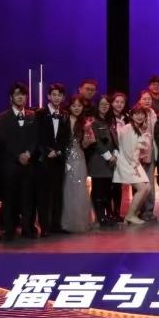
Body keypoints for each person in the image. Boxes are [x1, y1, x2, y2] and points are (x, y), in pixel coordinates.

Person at [0, 82, 40, 240]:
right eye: (17, 94)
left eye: (23, 94)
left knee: (28, 198)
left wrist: (28, 153)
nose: (20, 97)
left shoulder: (32, 116)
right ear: (11, 98)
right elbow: (2, 140)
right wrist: (18, 155)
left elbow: (35, 137)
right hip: (10, 164)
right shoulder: (3, 117)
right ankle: (9, 229)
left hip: (29, 163)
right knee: (9, 198)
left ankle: (28, 228)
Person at [34, 83, 69, 235]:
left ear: (63, 97)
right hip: (44, 158)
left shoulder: (65, 115)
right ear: (48, 96)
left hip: (59, 158)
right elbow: (37, 136)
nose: (56, 97)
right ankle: (45, 227)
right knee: (44, 194)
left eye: (59, 95)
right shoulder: (40, 113)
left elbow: (66, 136)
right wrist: (48, 151)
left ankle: (56, 225)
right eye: (54, 94)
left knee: (57, 193)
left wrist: (59, 150)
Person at [114, 106, 154, 226]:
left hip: (135, 162)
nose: (139, 116)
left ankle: (133, 214)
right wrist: (134, 166)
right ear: (131, 116)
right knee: (142, 188)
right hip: (128, 162)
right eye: (136, 114)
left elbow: (143, 148)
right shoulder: (128, 128)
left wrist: (145, 132)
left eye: (142, 114)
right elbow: (127, 150)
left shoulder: (139, 129)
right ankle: (130, 215)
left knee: (147, 187)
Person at [59, 96, 93, 233]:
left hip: (78, 157)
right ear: (69, 107)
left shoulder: (84, 122)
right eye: (74, 106)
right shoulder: (63, 119)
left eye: (79, 106)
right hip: (63, 157)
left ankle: (78, 221)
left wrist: (88, 131)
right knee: (65, 188)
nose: (77, 108)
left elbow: (85, 145)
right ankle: (63, 222)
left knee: (79, 188)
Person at [84, 96, 118, 227]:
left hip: (111, 162)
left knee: (107, 190)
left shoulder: (110, 121)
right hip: (99, 160)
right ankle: (100, 217)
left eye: (107, 104)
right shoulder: (93, 121)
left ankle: (107, 215)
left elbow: (115, 140)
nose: (104, 106)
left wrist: (115, 154)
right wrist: (109, 157)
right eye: (102, 104)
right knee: (98, 190)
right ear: (97, 105)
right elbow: (96, 142)